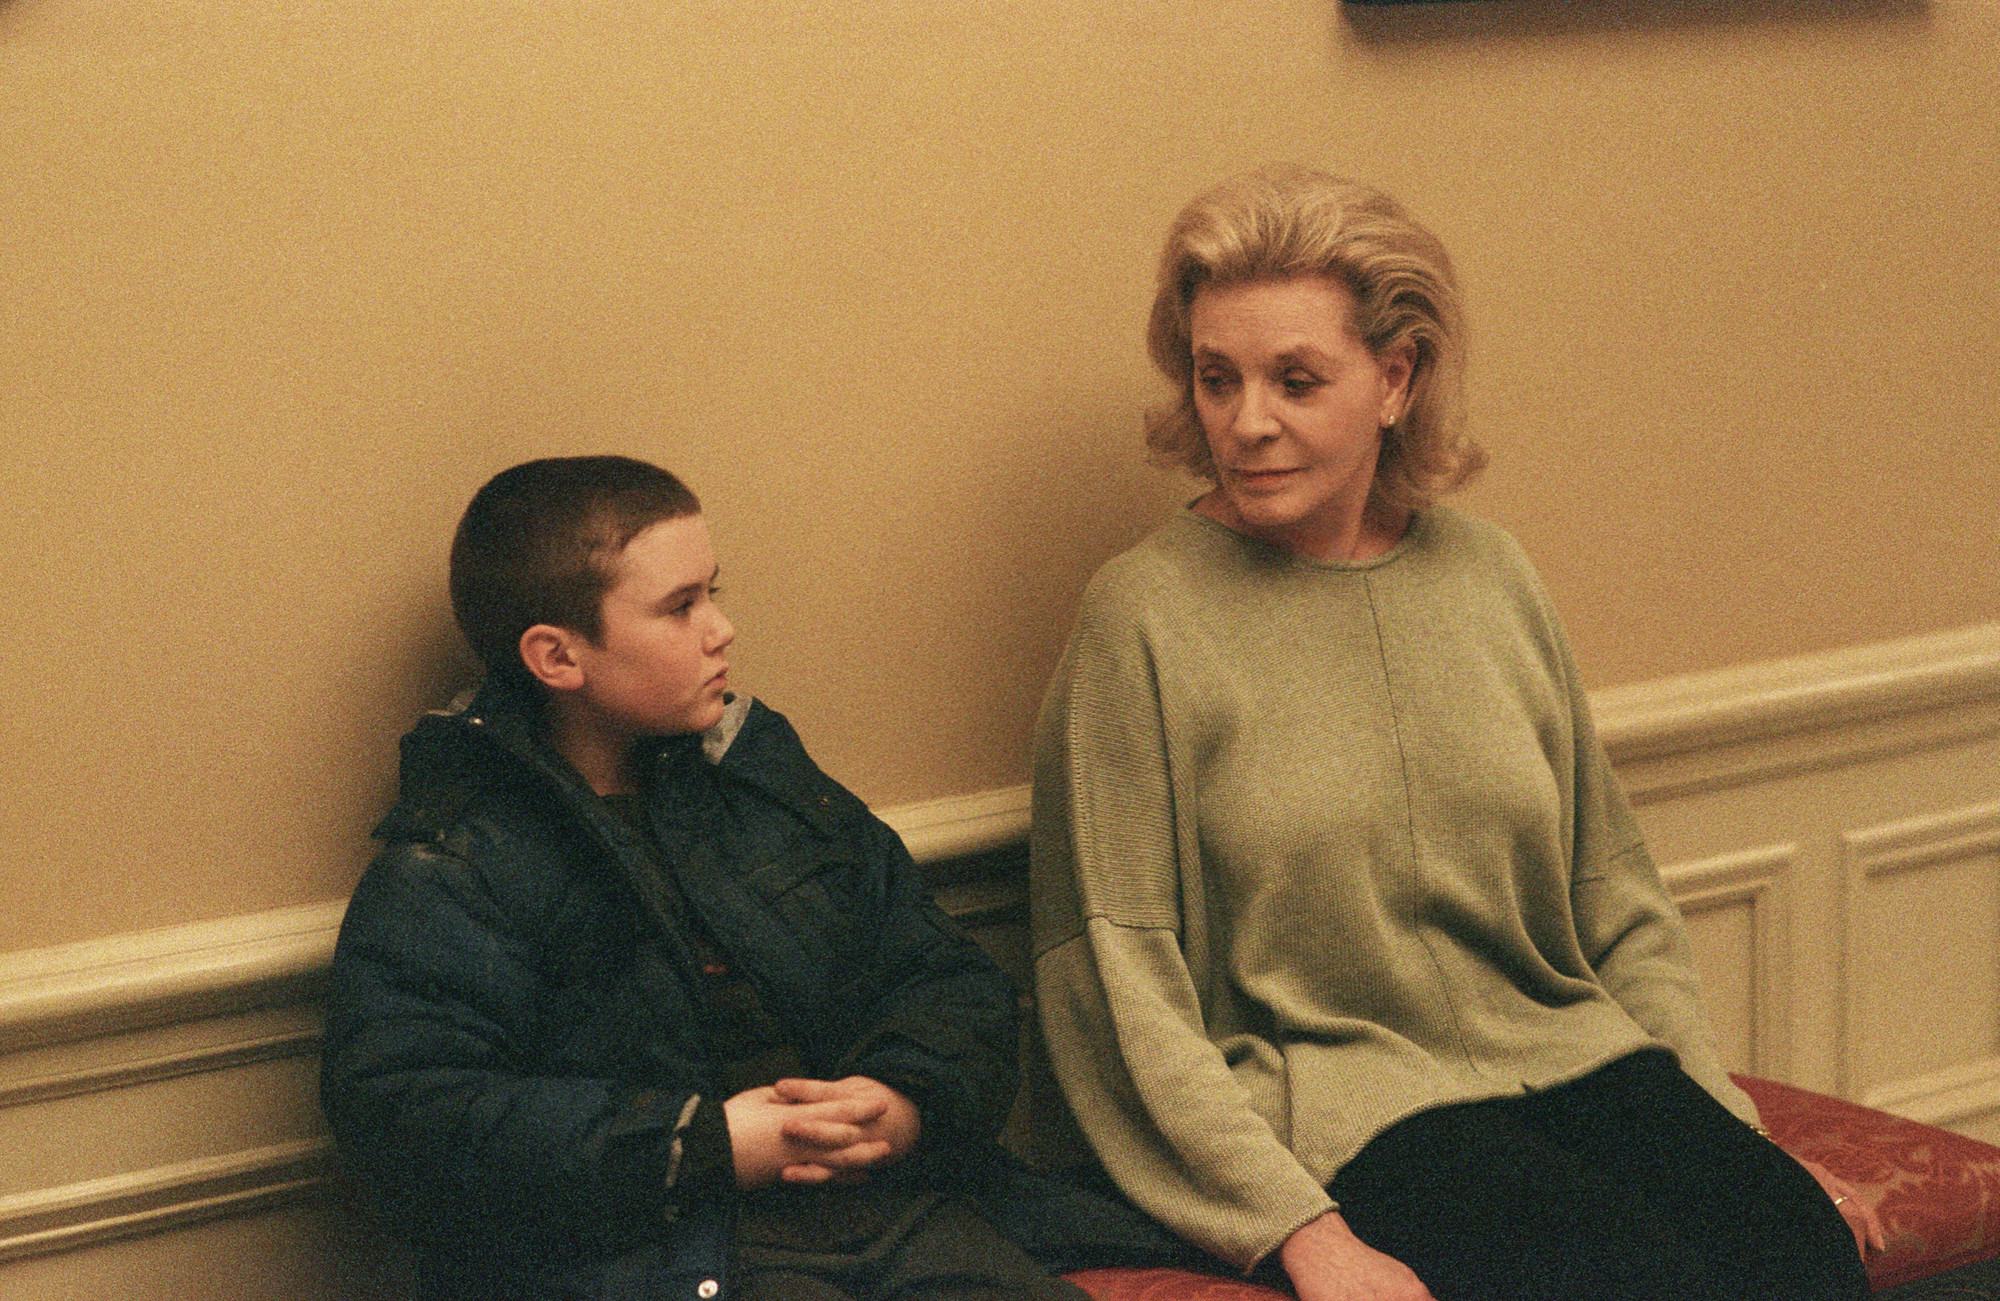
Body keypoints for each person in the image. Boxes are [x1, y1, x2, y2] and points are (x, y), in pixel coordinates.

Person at [1028, 167, 1883, 1301]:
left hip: (1577, 1058)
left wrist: (1733, 1139)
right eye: (1215, 377)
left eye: (1295, 379)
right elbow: (1116, 986)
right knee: (1622, 1278)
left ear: (1396, 377)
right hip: (1342, 1113)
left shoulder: (1490, 574)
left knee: (1799, 1250)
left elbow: (1617, 902)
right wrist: (1302, 1233)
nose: (1246, 421)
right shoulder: (1140, 617)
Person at [322, 455, 1160, 1299]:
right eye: (680, 606)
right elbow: (415, 1121)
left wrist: (901, 1101)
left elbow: (944, 975)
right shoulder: (453, 862)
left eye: (713, 593)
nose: (721, 629)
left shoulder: (760, 781)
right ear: (557, 656)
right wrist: (706, 1143)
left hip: (893, 1209)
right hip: (664, 1258)